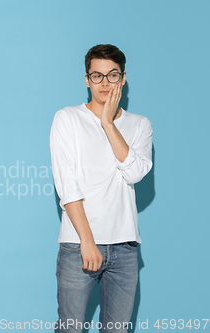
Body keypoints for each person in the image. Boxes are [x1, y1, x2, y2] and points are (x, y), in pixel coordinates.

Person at [50, 44, 152, 333]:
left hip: (125, 246)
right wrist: (87, 240)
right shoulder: (67, 118)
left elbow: (134, 173)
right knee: (70, 329)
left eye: (112, 75)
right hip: (78, 244)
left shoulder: (140, 125)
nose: (105, 83)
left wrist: (108, 123)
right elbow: (67, 185)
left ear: (123, 78)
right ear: (86, 79)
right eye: (97, 76)